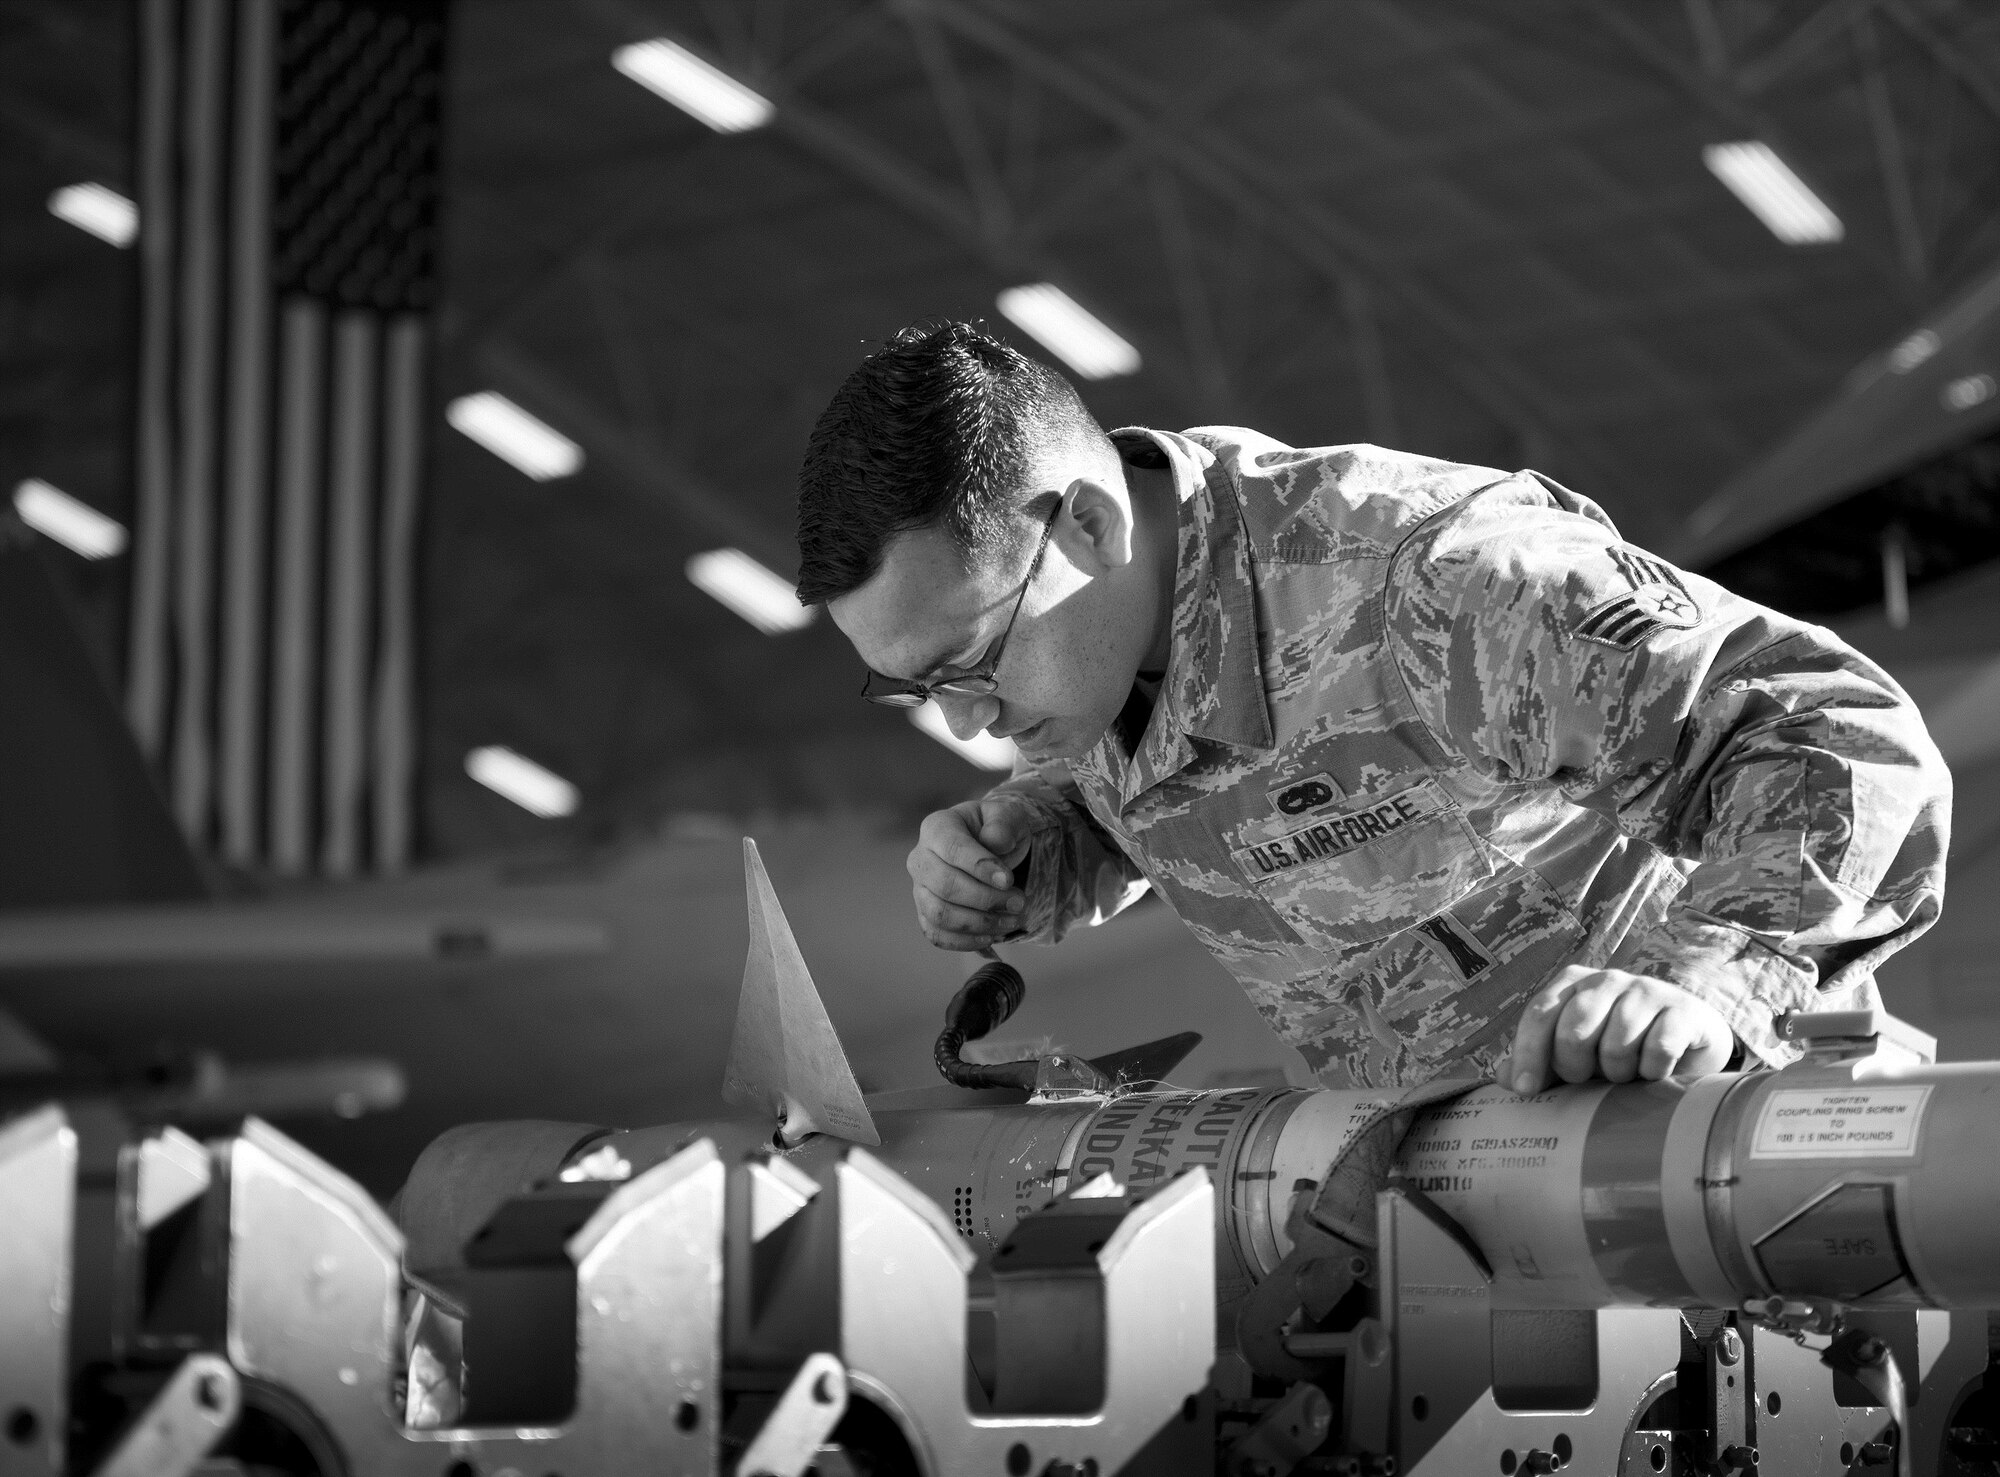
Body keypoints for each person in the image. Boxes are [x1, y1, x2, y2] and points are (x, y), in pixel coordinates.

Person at [794, 321, 1950, 1094]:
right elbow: (1181, 769)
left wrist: (1695, 978)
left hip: (1722, 1149)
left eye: (973, 659)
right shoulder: (1097, 639)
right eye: (918, 683)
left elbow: (1836, 732)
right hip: (1462, 1201)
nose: (963, 722)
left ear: (1090, 526)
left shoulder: (1433, 585)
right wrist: (1026, 844)